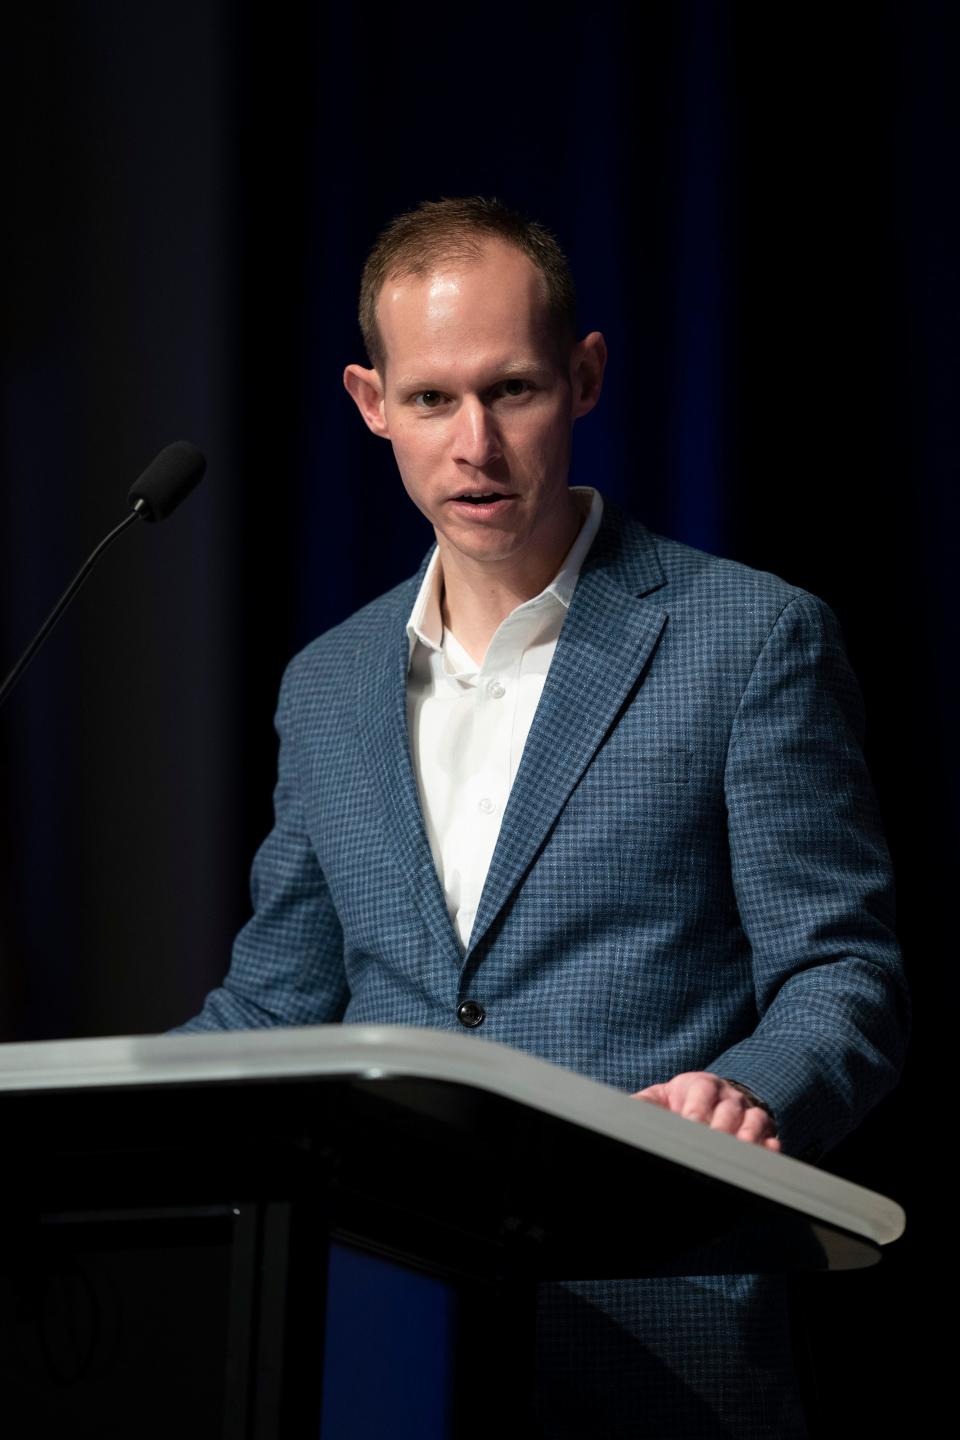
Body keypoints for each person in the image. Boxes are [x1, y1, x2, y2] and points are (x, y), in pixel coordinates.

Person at [177, 197, 908, 1436]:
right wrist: (95, 1122)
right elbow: (276, 1002)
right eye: (429, 401)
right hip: (376, 1345)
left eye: (511, 390)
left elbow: (844, 974)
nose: (475, 445)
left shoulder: (750, 639)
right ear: (369, 403)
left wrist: (749, 1093)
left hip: (659, 1342)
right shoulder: (326, 682)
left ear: (585, 375)